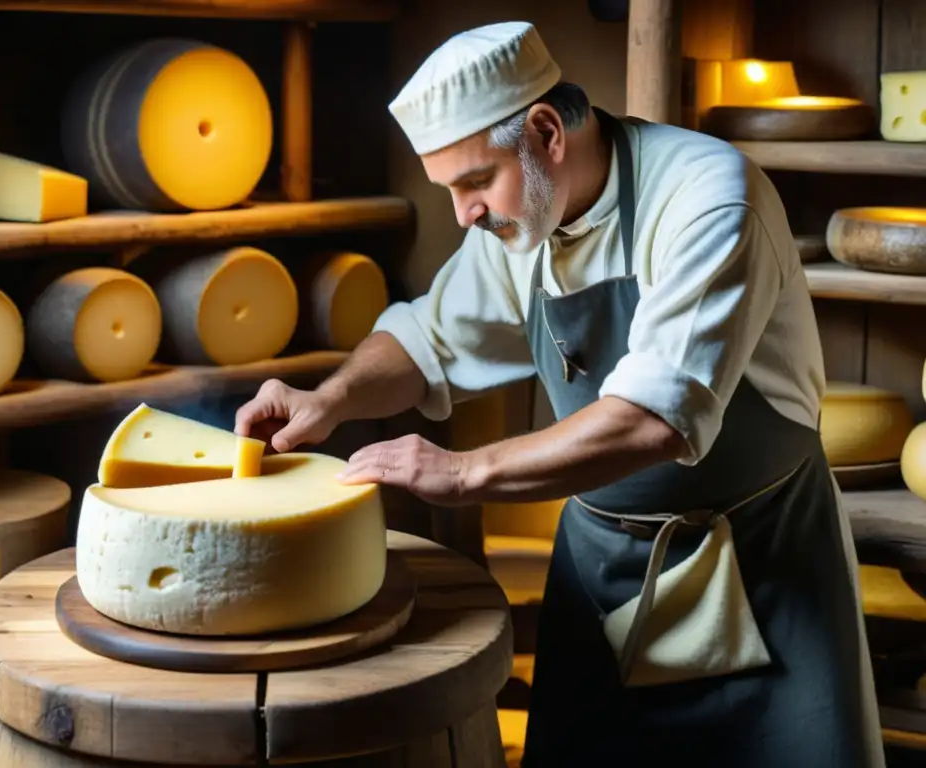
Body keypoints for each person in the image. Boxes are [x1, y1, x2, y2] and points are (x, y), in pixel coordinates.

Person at [235, 20, 884, 767]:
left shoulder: (709, 197)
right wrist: (335, 397)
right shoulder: (523, 222)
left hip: (762, 562)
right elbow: (427, 339)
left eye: (475, 181)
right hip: (604, 569)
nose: (464, 214)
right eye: (450, 188)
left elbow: (655, 420)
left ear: (546, 132)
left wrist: (461, 471)